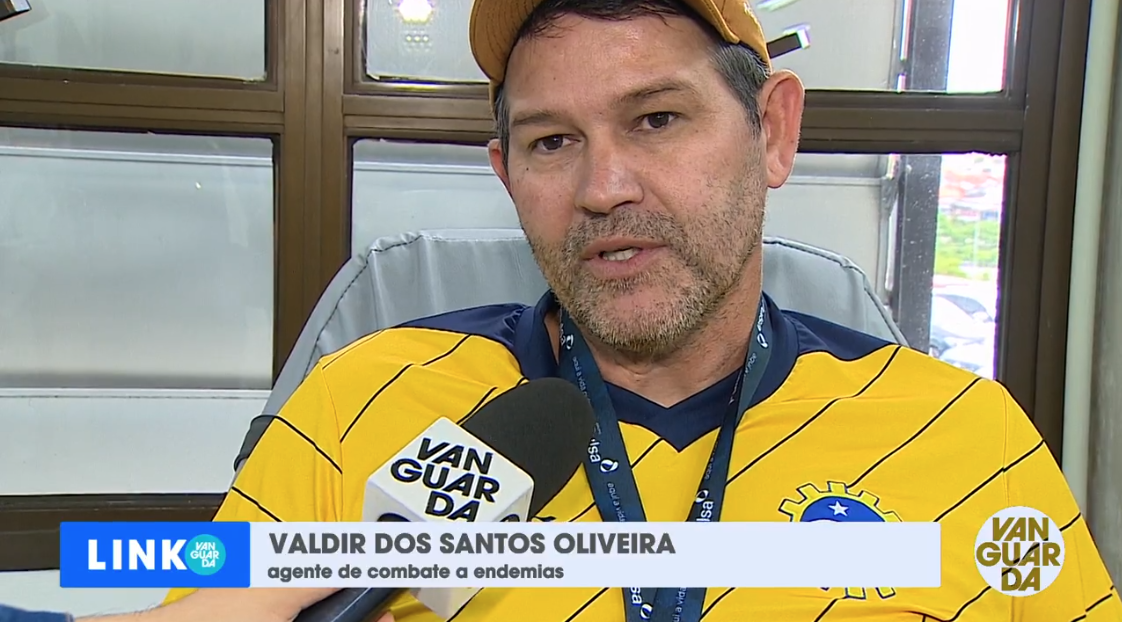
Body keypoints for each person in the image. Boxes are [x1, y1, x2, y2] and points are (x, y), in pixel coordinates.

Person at [75, 0, 1122, 621]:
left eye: (657, 118)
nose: (603, 187)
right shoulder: (360, 401)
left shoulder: (964, 438)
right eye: (551, 141)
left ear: (772, 132)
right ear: (506, 173)